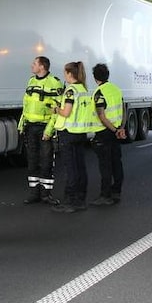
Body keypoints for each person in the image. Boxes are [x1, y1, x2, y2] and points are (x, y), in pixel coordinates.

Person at [51, 61, 98, 213]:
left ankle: (70, 201)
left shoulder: (70, 91)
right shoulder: (83, 89)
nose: (64, 75)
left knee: (70, 168)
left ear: (70, 74)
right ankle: (80, 199)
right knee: (80, 166)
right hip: (80, 133)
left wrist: (57, 109)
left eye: (65, 73)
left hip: (68, 133)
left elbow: (66, 112)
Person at [18, 56, 64, 205]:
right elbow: (26, 105)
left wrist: (49, 130)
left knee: (46, 161)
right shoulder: (31, 81)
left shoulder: (54, 83)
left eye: (34, 64)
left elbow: (56, 110)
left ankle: (46, 195)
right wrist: (21, 124)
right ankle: (34, 193)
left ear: (42, 67)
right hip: (30, 127)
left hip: (45, 128)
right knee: (32, 162)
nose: (32, 66)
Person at [89, 63, 126, 206]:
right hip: (116, 130)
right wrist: (121, 128)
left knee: (105, 165)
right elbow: (123, 109)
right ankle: (116, 191)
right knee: (117, 162)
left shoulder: (99, 93)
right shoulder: (116, 90)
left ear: (95, 77)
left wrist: (114, 130)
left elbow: (102, 117)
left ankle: (105, 195)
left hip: (105, 132)